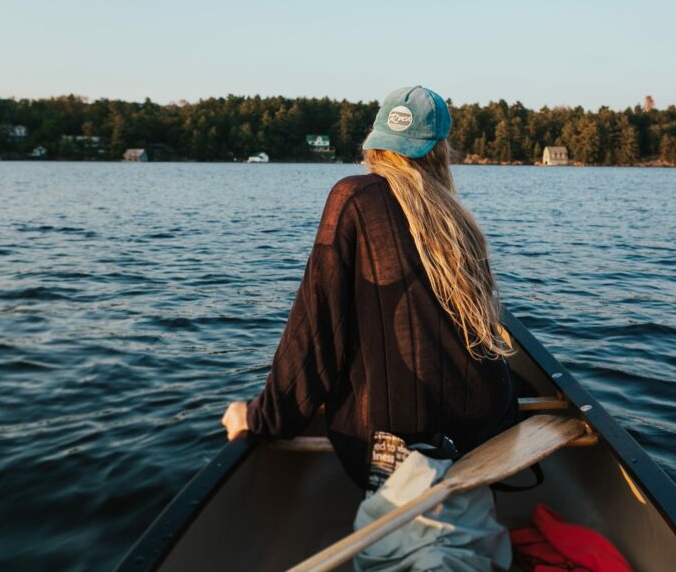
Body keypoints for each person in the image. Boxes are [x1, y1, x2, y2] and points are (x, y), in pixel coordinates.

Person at [221, 84, 517, 490]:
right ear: (440, 150)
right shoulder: (457, 220)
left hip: (396, 449)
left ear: (376, 145)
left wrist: (260, 417)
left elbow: (316, 333)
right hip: (484, 427)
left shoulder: (354, 197)